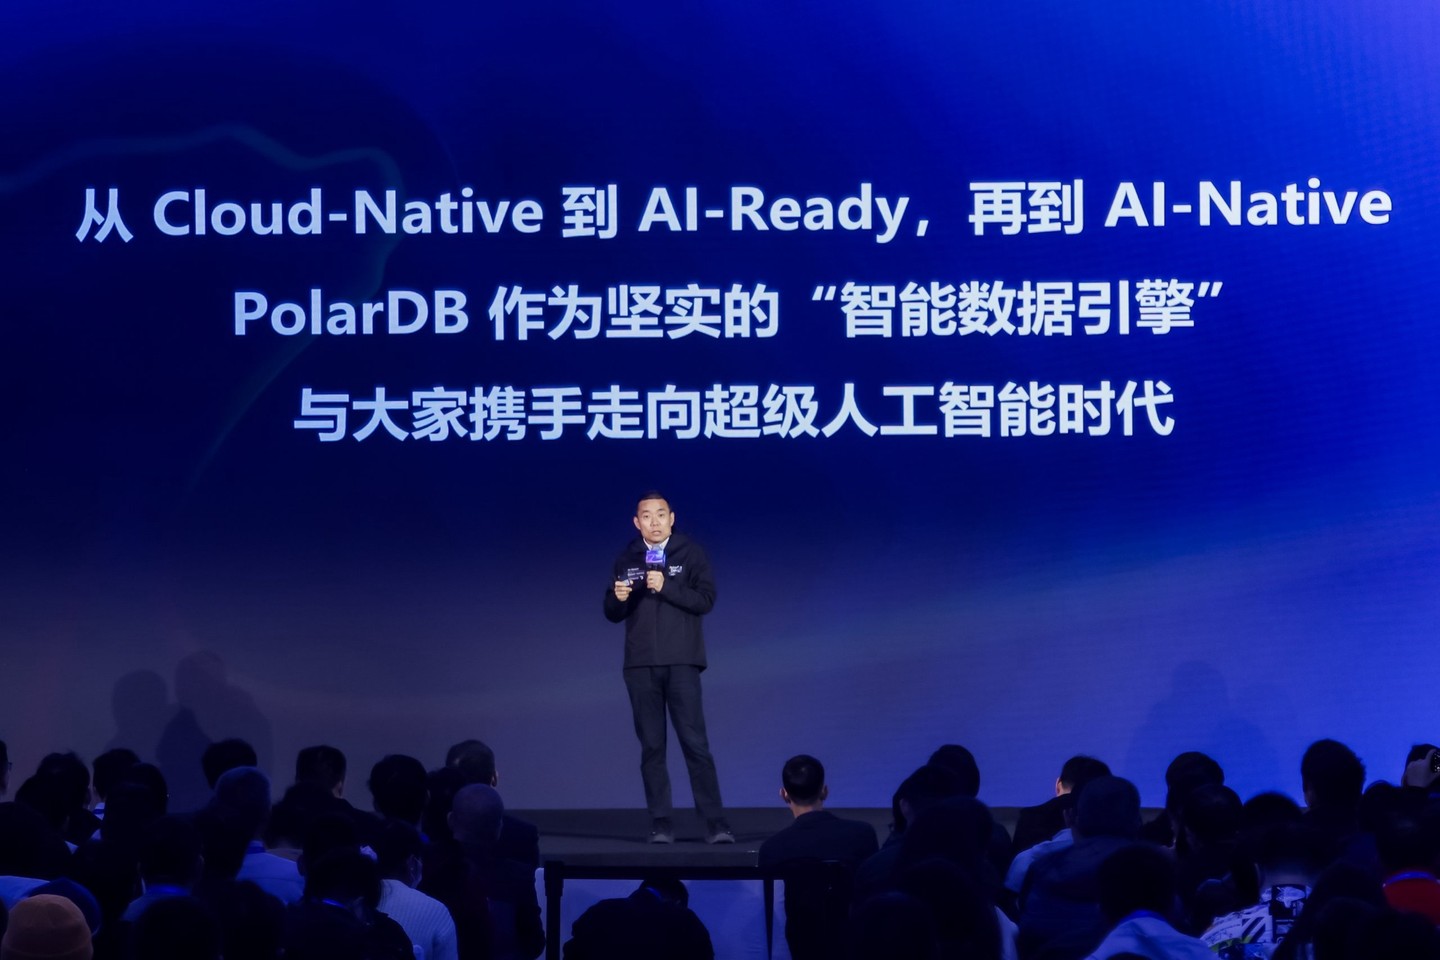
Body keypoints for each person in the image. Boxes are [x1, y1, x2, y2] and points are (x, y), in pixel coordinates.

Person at [603, 492, 731, 844]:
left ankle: (716, 823)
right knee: (652, 748)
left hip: (681, 661)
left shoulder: (691, 553)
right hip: (640, 664)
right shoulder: (627, 557)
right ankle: (661, 822)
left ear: (672, 518)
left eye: (661, 514)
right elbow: (611, 612)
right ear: (637, 522)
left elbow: (705, 600)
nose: (655, 522)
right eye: (647, 516)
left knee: (695, 744)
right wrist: (618, 599)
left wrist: (667, 586)